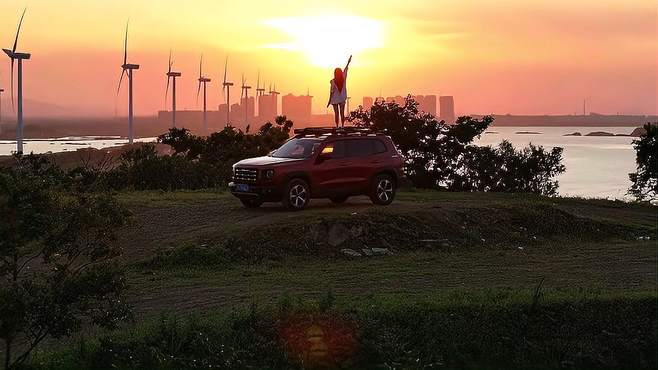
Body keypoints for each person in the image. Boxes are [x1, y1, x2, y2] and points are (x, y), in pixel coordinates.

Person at [327, 55, 352, 127]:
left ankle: (337, 126)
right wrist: (348, 62)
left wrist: (329, 101)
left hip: (335, 99)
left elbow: (331, 92)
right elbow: (346, 69)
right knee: (342, 113)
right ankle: (343, 126)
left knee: (336, 113)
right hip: (342, 98)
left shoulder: (333, 81)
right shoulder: (343, 78)